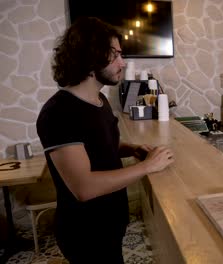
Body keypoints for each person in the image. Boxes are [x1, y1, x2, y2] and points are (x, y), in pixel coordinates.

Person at [36, 17, 174, 263]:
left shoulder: (100, 101)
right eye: (116, 55)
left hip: (110, 224)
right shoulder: (59, 113)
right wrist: (148, 166)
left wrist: (131, 149)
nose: (123, 62)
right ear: (91, 56)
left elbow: (100, 146)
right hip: (85, 233)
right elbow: (84, 187)